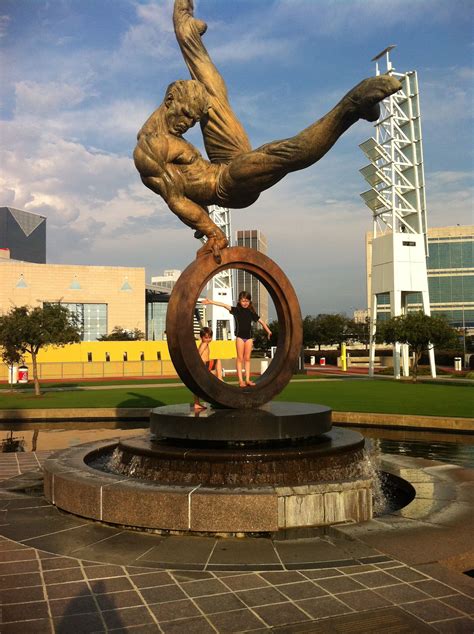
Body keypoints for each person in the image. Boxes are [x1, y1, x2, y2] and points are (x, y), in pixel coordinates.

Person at [133, 0, 402, 261]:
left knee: (212, 91)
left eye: (193, 120)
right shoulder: (150, 150)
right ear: (170, 102)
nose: (189, 124)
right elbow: (177, 200)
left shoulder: (172, 122)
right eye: (186, 117)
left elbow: (185, 180)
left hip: (223, 162)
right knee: (282, 154)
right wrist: (213, 232)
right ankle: (352, 107)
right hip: (227, 186)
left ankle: (185, 28)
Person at [203, 292, 271, 388]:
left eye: (247, 301)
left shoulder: (251, 313)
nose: (245, 303)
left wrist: (268, 331)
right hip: (240, 338)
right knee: (240, 359)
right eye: (243, 301)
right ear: (239, 301)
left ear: (249, 301)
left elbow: (261, 321)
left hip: (249, 338)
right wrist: (210, 301)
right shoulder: (236, 310)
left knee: (247, 359)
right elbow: (223, 305)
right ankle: (240, 381)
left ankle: (247, 379)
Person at [193, 326, 223, 411]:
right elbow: (199, 355)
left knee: (197, 385)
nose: (208, 339)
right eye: (206, 337)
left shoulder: (203, 344)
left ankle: (196, 403)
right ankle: (220, 378)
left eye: (210, 337)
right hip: (203, 365)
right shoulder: (204, 344)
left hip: (203, 365)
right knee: (218, 361)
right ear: (201, 337)